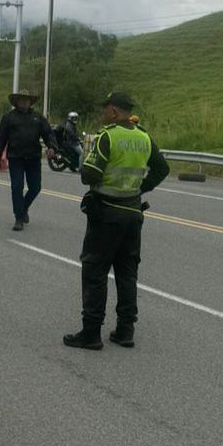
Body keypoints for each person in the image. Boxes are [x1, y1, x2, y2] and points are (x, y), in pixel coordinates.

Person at [64, 92, 170, 351]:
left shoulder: (107, 136)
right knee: (126, 272)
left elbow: (89, 175)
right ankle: (125, 330)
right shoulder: (144, 136)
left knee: (95, 270)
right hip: (133, 213)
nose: (102, 115)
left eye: (104, 110)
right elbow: (162, 169)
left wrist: (83, 159)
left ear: (113, 111)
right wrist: (139, 188)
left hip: (106, 213)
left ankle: (91, 332)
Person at [0, 91, 59, 231]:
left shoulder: (38, 118)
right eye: (21, 100)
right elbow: (0, 138)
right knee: (17, 187)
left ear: (30, 102)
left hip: (33, 157)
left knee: (35, 187)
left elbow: (48, 133)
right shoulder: (8, 118)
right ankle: (19, 218)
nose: (24, 102)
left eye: (27, 100)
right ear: (16, 102)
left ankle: (23, 208)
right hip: (15, 157)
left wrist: (52, 147)